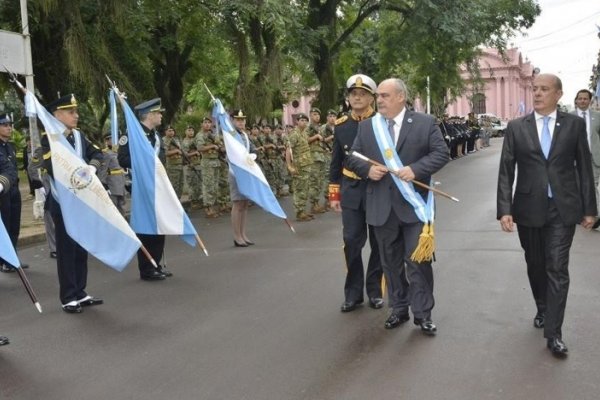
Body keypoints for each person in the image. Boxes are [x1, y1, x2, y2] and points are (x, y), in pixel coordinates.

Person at [497, 74, 597, 357]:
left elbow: (583, 169)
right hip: (528, 208)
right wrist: (504, 209)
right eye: (535, 89)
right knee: (536, 263)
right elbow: (506, 170)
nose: (537, 94)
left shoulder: (574, 125)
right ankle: (542, 306)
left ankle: (554, 333)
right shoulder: (517, 127)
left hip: (562, 208)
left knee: (557, 267)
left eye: (544, 89)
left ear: (558, 94)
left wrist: (590, 208)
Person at [346, 78, 449, 334]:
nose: (379, 100)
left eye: (384, 95)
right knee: (390, 263)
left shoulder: (424, 123)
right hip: (381, 207)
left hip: (415, 208)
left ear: (401, 97)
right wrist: (368, 169)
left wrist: (415, 170)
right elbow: (353, 157)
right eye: (378, 96)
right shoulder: (368, 127)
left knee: (417, 262)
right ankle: (399, 309)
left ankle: (423, 314)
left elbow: (440, 153)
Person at [41, 94, 104, 313]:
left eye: (75, 111)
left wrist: (93, 167)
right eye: (71, 112)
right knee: (67, 250)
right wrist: (79, 170)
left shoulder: (79, 136)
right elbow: (51, 166)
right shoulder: (50, 137)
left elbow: (97, 153)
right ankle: (68, 296)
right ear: (57, 115)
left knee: (80, 248)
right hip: (62, 202)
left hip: (81, 201)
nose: (76, 116)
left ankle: (80, 292)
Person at [328, 74, 384, 313]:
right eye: (353, 94)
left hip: (378, 189)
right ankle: (353, 293)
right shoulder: (341, 126)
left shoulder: (382, 122)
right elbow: (336, 161)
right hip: (351, 191)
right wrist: (334, 194)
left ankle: (374, 291)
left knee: (379, 243)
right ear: (348, 98)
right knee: (351, 242)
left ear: (372, 98)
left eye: (362, 94)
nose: (357, 98)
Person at [118, 98, 172, 280]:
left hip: (158, 186)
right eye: (158, 113)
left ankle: (156, 264)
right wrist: (144, 165)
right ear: (149, 115)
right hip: (141, 186)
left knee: (159, 224)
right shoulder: (132, 134)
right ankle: (146, 269)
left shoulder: (155, 136)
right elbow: (122, 159)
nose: (161, 115)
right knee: (146, 227)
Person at [0, 113, 29, 272]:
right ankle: (6, 261)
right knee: (5, 226)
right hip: (2, 193)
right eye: (5, 125)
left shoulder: (10, 146)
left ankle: (12, 258)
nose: (9, 127)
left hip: (14, 191)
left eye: (10, 125)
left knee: (14, 226)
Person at [572, 89, 600, 230]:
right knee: (576, 186)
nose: (583, 101)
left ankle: (595, 215)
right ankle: (581, 214)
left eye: (585, 98)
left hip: (592, 157)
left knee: (592, 185)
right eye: (580, 98)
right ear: (576, 100)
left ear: (590, 101)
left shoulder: (597, 116)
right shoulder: (568, 117)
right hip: (573, 159)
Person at [229, 110, 256, 246]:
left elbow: (252, 149)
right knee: (238, 203)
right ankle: (236, 236)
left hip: (246, 171)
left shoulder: (245, 135)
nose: (241, 122)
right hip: (235, 172)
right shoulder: (230, 135)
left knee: (245, 203)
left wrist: (253, 156)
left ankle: (243, 233)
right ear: (233, 121)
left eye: (243, 120)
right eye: (238, 120)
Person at [286, 113, 314, 221]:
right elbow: (288, 150)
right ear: (297, 122)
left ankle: (302, 210)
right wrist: (289, 166)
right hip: (298, 166)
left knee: (305, 188)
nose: (304, 122)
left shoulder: (304, 133)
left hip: (306, 165)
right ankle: (299, 212)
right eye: (301, 120)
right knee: (299, 189)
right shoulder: (294, 134)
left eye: (305, 120)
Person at [98, 135, 126, 215]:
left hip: (121, 181)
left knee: (122, 205)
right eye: (111, 139)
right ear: (107, 141)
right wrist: (103, 184)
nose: (114, 141)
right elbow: (102, 170)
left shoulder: (119, 152)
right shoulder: (106, 153)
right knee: (113, 205)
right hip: (112, 183)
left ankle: (123, 224)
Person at [163, 125, 184, 199]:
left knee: (180, 185)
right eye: (169, 130)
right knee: (173, 185)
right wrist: (176, 151)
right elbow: (164, 153)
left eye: (172, 130)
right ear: (165, 132)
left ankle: (179, 202)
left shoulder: (176, 140)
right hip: (171, 167)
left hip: (180, 165)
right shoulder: (164, 140)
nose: (171, 132)